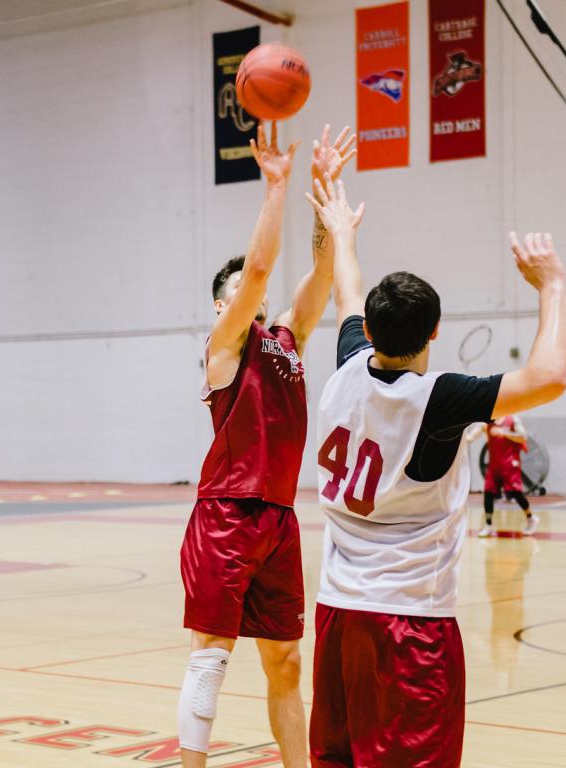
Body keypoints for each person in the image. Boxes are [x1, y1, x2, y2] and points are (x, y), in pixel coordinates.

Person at [307, 165, 566, 767]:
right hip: (408, 621)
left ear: (368, 331)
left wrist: (342, 230)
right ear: (434, 332)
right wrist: (551, 285)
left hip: (337, 614)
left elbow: (349, 289)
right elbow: (549, 377)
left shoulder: (346, 366)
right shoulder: (439, 398)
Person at [177, 123, 354, 768]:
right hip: (226, 512)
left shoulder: (285, 341)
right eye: (238, 298)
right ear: (220, 306)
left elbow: (323, 270)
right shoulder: (223, 347)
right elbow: (257, 268)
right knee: (212, 658)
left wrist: (323, 191)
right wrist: (275, 184)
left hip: (278, 517)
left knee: (285, 659)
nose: (253, 299)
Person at [470, 415, 539, 537]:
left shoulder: (512, 420)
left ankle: (531, 518)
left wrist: (505, 433)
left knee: (515, 493)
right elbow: (470, 437)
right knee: (488, 494)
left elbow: (523, 437)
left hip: (510, 463)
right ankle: (488, 524)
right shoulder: (487, 422)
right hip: (494, 465)